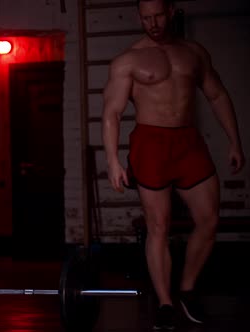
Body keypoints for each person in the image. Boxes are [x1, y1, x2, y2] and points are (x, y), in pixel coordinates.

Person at [101, 0, 245, 330]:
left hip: (188, 142)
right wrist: (111, 160)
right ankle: (165, 303)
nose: (152, 23)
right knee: (158, 226)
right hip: (150, 143)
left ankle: (187, 289)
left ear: (171, 12)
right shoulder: (129, 60)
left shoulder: (194, 53)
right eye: (146, 17)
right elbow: (112, 112)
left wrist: (234, 141)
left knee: (209, 220)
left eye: (158, 16)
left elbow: (218, 95)